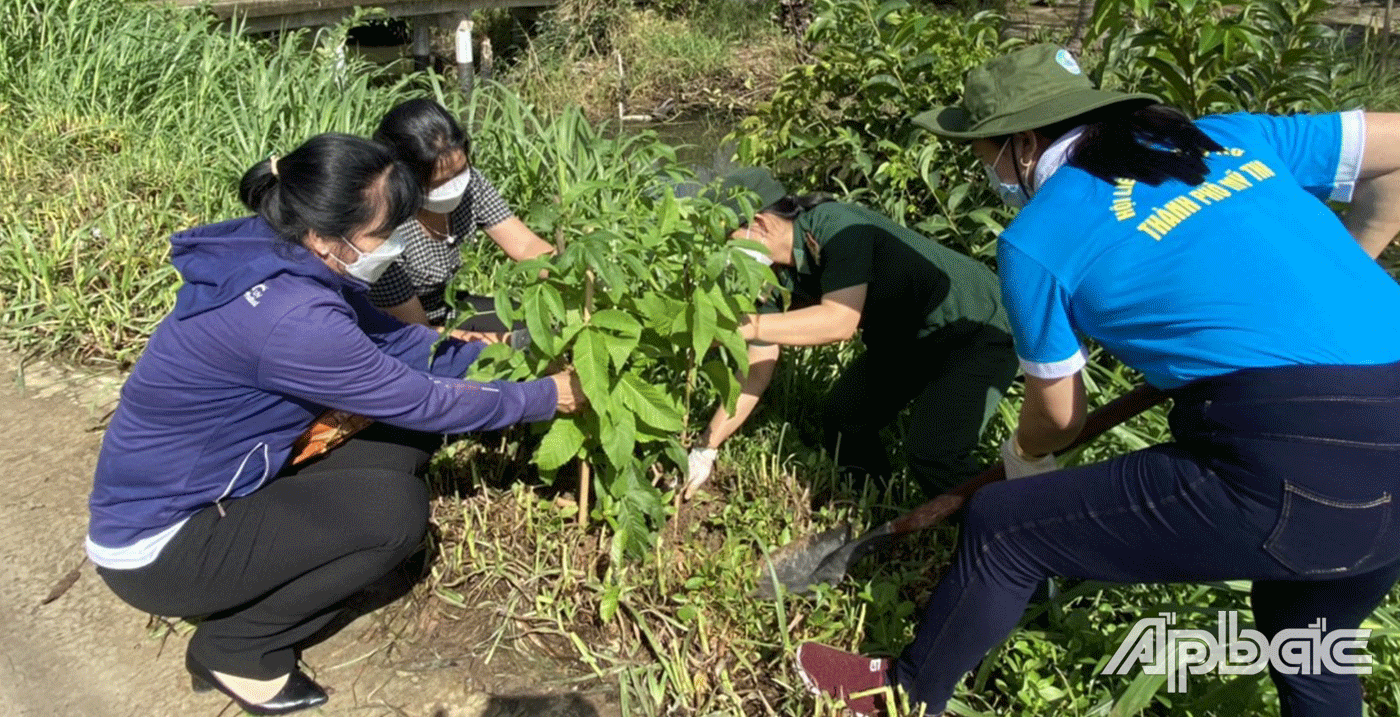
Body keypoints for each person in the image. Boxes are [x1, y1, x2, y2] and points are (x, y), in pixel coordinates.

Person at [793, 43, 1400, 717]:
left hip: (1292, 451)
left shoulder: (1040, 236)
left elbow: (1059, 419)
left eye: (980, 152)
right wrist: (1348, 263)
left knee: (1004, 527)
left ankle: (897, 698)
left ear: (1022, 145)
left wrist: (1023, 460)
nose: (985, 168)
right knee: (1309, 639)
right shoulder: (1228, 136)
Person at [86, 134, 585, 716]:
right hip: (163, 547)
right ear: (326, 236)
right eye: (383, 232)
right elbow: (424, 400)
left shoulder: (280, 248)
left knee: (400, 446)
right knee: (393, 517)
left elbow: (398, 343)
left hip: (221, 490)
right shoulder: (291, 317)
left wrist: (513, 352)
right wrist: (543, 397)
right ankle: (239, 647)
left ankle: (264, 593)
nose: (395, 243)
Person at [682, 167, 1018, 501]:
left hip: (974, 326)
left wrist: (743, 326)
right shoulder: (768, 277)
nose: (724, 255)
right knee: (845, 418)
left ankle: (1005, 533)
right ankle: (877, 506)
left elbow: (838, 321)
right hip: (903, 339)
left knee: (935, 451)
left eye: (728, 240)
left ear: (760, 224)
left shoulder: (836, 226)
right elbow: (756, 369)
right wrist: (706, 447)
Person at [369, 98, 554, 335]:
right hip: (397, 328)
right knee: (512, 348)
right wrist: (508, 344)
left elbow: (526, 245)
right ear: (402, 179)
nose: (454, 187)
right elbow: (417, 334)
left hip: (447, 307)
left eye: (459, 172)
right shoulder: (384, 228)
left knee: (532, 323)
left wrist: (568, 271)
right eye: (438, 183)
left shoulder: (471, 185)